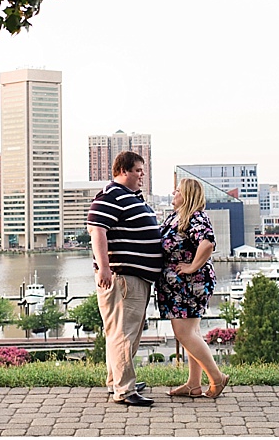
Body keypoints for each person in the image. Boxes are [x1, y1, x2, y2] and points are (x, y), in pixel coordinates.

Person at [86, 151, 162, 407]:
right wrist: (104, 267)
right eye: (139, 170)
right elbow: (97, 229)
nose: (142, 175)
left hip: (135, 277)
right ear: (124, 171)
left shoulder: (129, 198)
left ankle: (116, 380)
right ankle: (125, 390)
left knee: (120, 333)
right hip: (123, 277)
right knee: (123, 334)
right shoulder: (111, 195)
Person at [157, 177, 230, 398]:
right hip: (179, 285)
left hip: (189, 284)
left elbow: (207, 243)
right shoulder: (178, 216)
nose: (173, 193)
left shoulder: (196, 217)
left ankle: (216, 377)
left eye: (177, 191)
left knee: (184, 333)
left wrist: (191, 267)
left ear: (186, 195)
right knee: (192, 332)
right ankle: (193, 384)